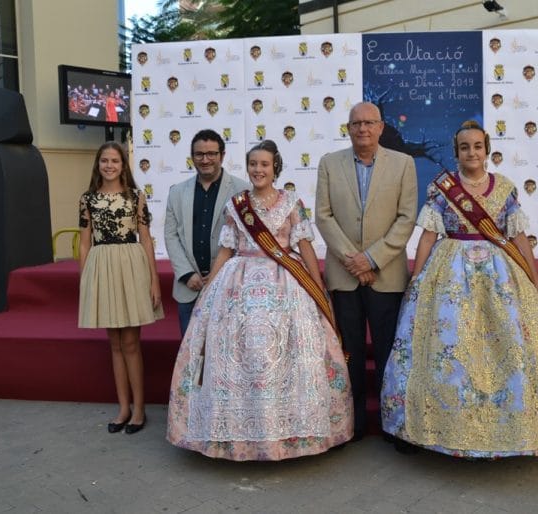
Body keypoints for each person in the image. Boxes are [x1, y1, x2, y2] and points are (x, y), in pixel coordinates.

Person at [380, 120, 538, 457]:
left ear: (487, 150)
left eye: (477, 146)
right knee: (450, 347)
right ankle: (437, 429)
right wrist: (416, 279)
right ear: (456, 153)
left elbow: (517, 238)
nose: (471, 152)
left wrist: (537, 284)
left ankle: (515, 429)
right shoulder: (442, 188)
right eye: (464, 147)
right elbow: (429, 235)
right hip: (450, 274)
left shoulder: (504, 188)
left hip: (501, 276)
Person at [167, 140, 353, 460]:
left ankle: (293, 432)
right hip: (237, 284)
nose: (258, 170)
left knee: (287, 354)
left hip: (286, 284)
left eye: (264, 164)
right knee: (239, 356)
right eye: (253, 164)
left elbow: (304, 245)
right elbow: (226, 248)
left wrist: (317, 284)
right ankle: (235, 433)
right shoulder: (236, 204)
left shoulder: (292, 203)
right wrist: (211, 284)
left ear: (275, 167)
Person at [315, 101, 418, 441]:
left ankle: (394, 426)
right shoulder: (329, 164)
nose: (363, 129)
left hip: (386, 276)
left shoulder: (404, 165)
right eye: (356, 123)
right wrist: (353, 261)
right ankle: (353, 424)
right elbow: (324, 216)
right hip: (344, 277)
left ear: (381, 127)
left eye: (369, 123)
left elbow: (406, 218)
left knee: (390, 353)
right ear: (348, 128)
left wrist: (371, 259)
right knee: (350, 354)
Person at [78, 142, 163, 434]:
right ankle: (123, 407)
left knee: (130, 343)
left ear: (123, 165)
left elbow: (147, 239)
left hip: (131, 264)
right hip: (102, 266)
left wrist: (153, 280)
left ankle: (139, 409)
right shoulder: (87, 199)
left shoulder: (135, 197)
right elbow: (85, 241)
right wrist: (86, 280)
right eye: (105, 160)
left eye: (115, 160)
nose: (110, 165)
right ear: (98, 164)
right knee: (114, 343)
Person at [165, 129, 248, 337]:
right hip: (189, 287)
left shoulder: (242, 190)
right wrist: (186, 274)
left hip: (228, 286)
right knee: (190, 358)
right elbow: (171, 235)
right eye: (199, 154)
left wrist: (220, 273)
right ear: (192, 157)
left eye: (212, 153)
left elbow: (246, 239)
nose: (205, 159)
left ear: (222, 155)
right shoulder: (176, 192)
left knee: (225, 355)